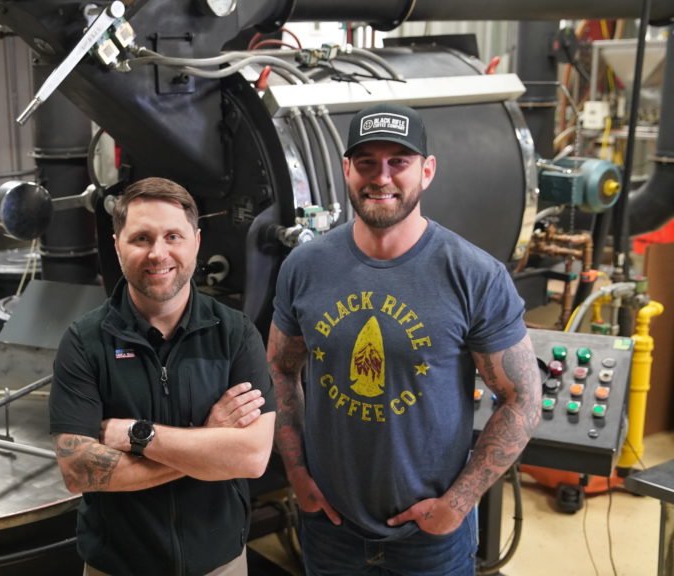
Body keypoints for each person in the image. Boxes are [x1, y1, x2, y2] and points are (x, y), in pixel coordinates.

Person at [268, 104, 542, 575]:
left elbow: (522, 399)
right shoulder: (305, 267)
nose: (383, 177)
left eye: (399, 161)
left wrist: (458, 503)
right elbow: (280, 367)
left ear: (427, 171)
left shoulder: (473, 275)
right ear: (346, 170)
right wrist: (296, 471)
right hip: (331, 530)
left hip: (430, 541)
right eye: (367, 162)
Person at [50, 177, 276, 575]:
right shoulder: (85, 342)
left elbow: (252, 457)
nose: (158, 253)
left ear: (196, 241)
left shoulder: (235, 334)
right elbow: (78, 470)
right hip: (116, 566)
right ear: (117, 244)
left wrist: (138, 435)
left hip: (219, 564)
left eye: (173, 236)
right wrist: (209, 441)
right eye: (141, 238)